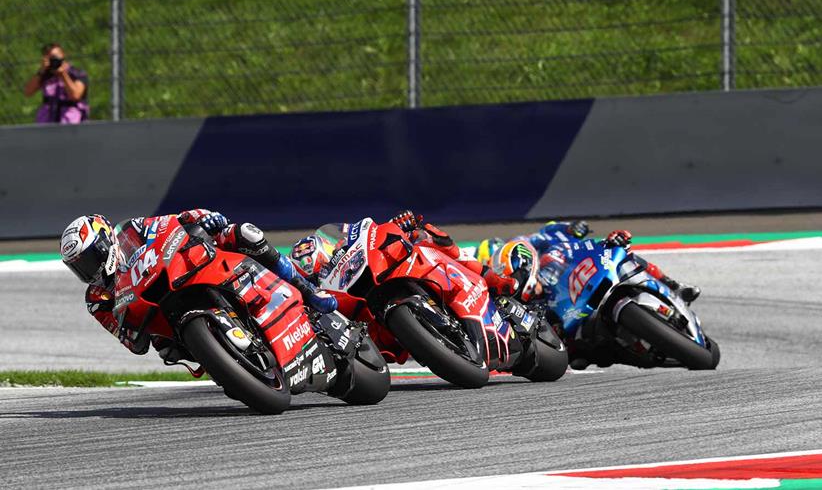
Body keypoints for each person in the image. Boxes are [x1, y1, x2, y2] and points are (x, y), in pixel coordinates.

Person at [59, 210, 337, 363]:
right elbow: (133, 344)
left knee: (243, 233)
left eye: (90, 258)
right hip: (165, 319)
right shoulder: (97, 298)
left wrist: (204, 219)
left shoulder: (134, 230)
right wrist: (129, 329)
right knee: (166, 349)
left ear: (106, 242)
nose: (88, 269)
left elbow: (175, 222)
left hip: (182, 273)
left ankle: (307, 290)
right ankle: (230, 361)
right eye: (79, 267)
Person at [289, 210, 519, 297]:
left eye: (323, 264)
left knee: (425, 238)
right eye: (313, 276)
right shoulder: (320, 293)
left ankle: (493, 280)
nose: (321, 272)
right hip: (361, 310)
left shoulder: (344, 245)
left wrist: (398, 225)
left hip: (385, 273)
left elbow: (373, 236)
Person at [477, 220, 700, 303]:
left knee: (623, 252)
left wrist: (572, 228)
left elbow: (558, 229)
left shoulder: (530, 242)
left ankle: (674, 286)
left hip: (577, 264)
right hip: (557, 299)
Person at [23, 43, 89, 124]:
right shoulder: (44, 75)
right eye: (50, 58)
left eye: (56, 57)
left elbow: (75, 95)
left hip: (70, 121)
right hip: (47, 121)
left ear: (63, 55)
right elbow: (27, 92)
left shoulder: (76, 73)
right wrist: (41, 71)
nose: (54, 61)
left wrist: (63, 74)